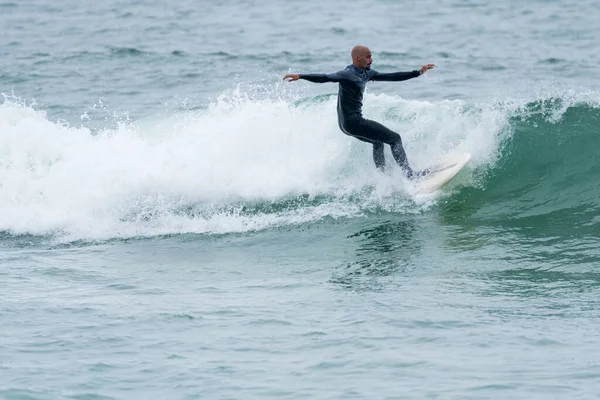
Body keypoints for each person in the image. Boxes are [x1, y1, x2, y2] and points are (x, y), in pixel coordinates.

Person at [283, 45, 434, 179]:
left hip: (345, 125)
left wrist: (417, 73)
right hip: (353, 121)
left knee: (378, 142)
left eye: (371, 56)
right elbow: (326, 77)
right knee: (395, 138)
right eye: (368, 57)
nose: (371, 60)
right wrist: (301, 76)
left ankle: (384, 178)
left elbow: (392, 76)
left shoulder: (367, 73)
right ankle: (410, 175)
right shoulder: (347, 74)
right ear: (357, 58)